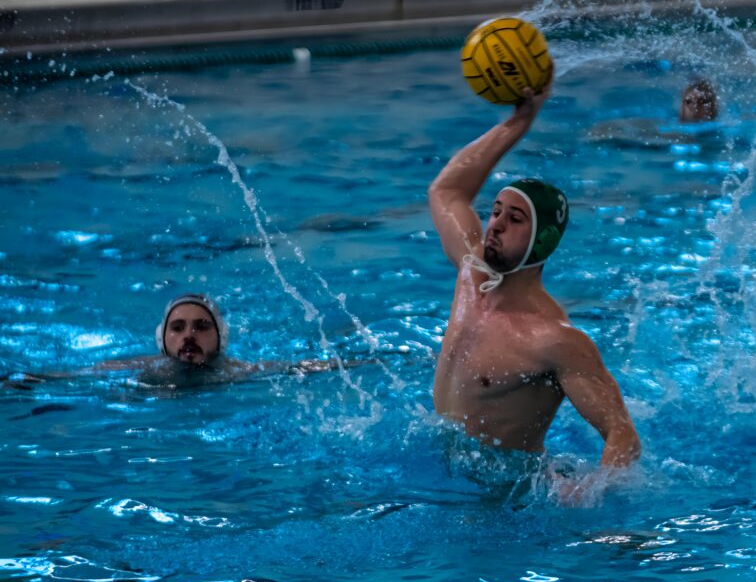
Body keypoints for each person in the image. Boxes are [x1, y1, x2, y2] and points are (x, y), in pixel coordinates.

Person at [427, 84, 641, 480]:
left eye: (515, 219)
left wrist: (590, 492)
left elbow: (622, 434)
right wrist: (517, 123)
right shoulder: (471, 274)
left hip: (504, 502)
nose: (495, 226)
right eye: (495, 212)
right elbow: (447, 191)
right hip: (442, 473)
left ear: (543, 241)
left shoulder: (554, 341)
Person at [2, 293, 348, 389]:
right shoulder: (141, 368)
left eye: (200, 327)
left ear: (220, 340)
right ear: (163, 340)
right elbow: (80, 375)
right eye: (178, 328)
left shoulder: (237, 372)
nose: (188, 335)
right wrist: (31, 379)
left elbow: (293, 368)